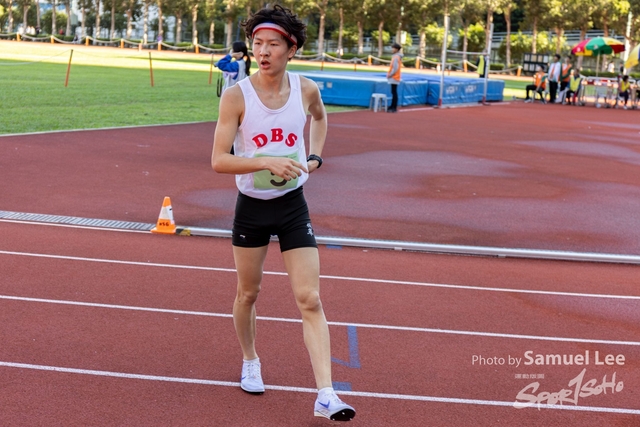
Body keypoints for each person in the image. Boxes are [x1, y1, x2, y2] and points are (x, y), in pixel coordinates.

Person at [211, 4, 356, 422]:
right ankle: (250, 360)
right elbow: (219, 160)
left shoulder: (306, 89)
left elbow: (320, 119)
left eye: (272, 44)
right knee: (248, 293)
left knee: (310, 298)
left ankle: (326, 394)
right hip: (251, 208)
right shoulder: (237, 96)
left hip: (293, 206)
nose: (263, 51)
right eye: (257, 43)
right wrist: (265, 161)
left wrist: (314, 157)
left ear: (291, 49)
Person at [386, 42, 403, 113]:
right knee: (393, 92)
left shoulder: (396, 57)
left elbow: (395, 68)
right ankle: (392, 106)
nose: (392, 49)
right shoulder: (396, 56)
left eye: (393, 48)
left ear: (396, 49)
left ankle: (394, 107)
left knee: (394, 92)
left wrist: (390, 74)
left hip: (394, 77)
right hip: (395, 76)